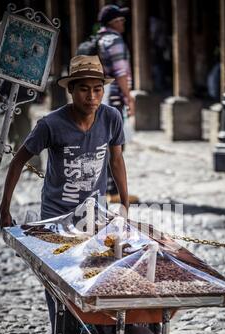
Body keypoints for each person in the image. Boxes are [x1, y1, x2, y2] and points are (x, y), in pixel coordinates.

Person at [0, 55, 129, 334]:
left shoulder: (111, 118)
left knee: (98, 270)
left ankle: (96, 328)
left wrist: (124, 203)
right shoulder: (51, 125)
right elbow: (18, 162)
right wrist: (5, 209)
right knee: (59, 280)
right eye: (84, 89)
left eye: (98, 89)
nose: (92, 97)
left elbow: (117, 160)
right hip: (57, 217)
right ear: (72, 90)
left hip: (95, 216)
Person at [97, 4, 137, 203]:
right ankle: (112, 191)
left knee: (105, 143)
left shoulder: (99, 40)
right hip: (113, 98)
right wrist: (128, 97)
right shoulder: (115, 41)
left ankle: (107, 189)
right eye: (121, 20)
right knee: (116, 145)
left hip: (100, 97)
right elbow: (121, 73)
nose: (124, 23)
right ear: (114, 22)